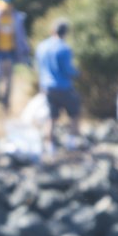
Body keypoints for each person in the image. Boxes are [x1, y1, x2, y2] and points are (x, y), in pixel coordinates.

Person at [34, 18, 81, 152]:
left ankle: (50, 147)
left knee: (51, 117)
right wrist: (78, 73)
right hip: (63, 87)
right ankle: (71, 143)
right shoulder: (64, 48)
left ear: (53, 31)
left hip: (47, 87)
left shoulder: (42, 46)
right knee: (74, 114)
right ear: (65, 33)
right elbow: (68, 70)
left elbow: (38, 67)